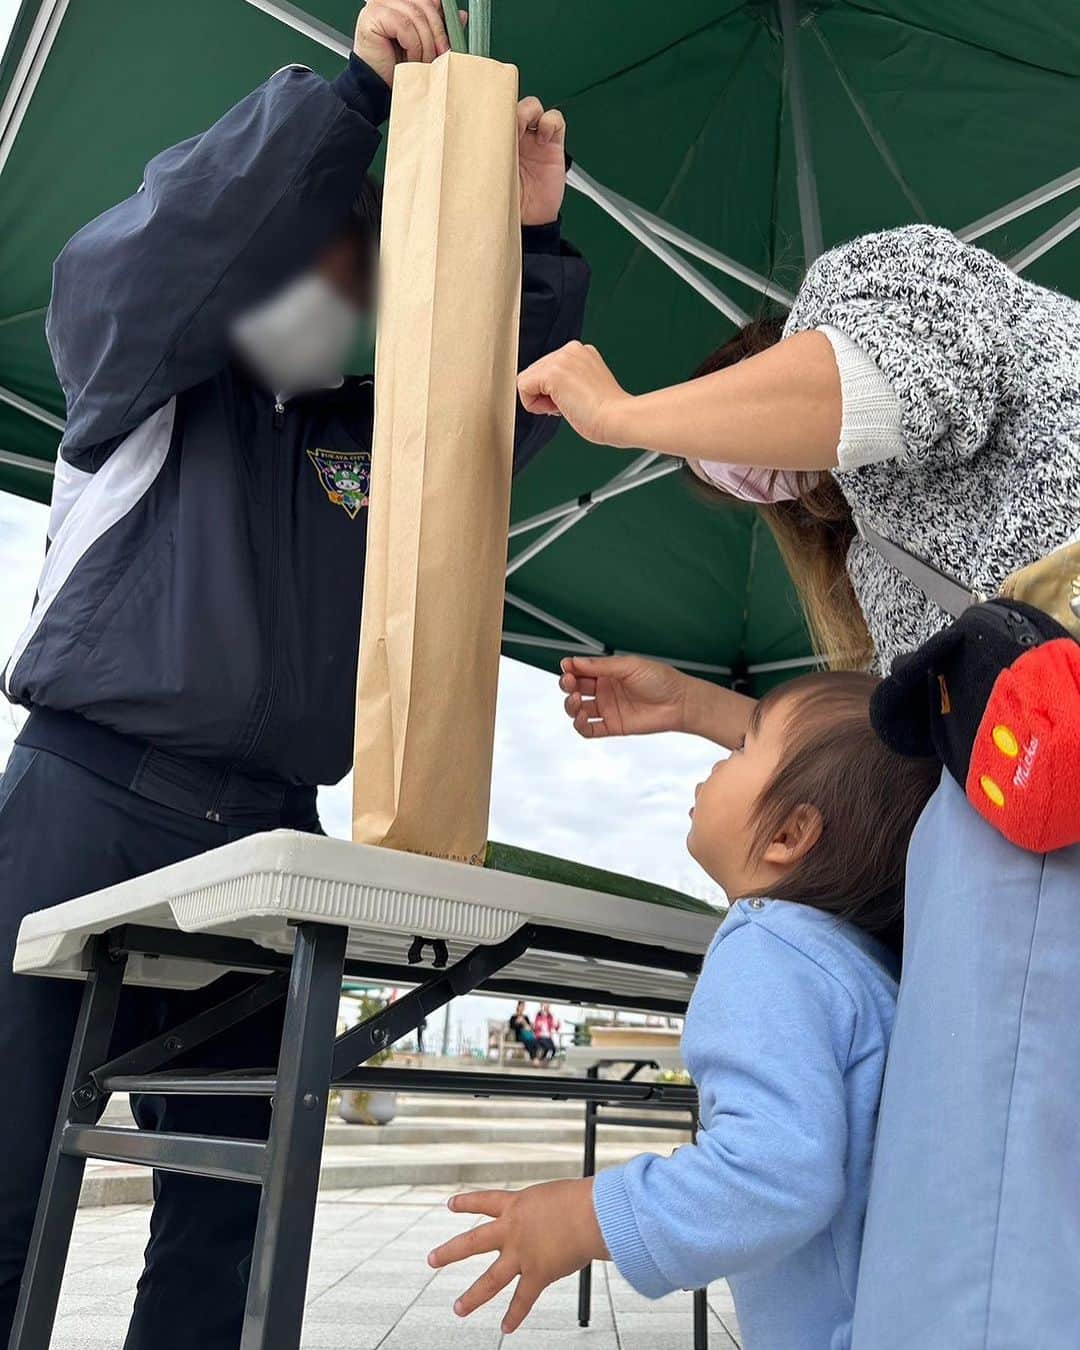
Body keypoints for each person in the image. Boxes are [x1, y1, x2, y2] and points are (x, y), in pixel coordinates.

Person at [0, 3, 589, 1345]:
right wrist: (351, 103)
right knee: (7, 1183)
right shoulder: (134, 377)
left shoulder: (353, 448)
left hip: (268, 832)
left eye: (350, 271)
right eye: (300, 260)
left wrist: (529, 240)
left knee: (237, 1207)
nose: (330, 286)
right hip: (85, 800)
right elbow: (167, 248)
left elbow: (484, 425)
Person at [518, 226, 1080, 1348]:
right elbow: (875, 751)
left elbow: (880, 381)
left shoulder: (878, 283)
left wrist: (625, 412)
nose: (734, 480)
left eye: (719, 452)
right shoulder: (883, 547)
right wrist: (698, 711)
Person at [429, 672, 941, 1348]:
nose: (718, 757)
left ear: (789, 834)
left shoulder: (770, 949)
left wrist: (584, 1219)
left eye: (744, 746)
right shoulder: (858, 966)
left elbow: (772, 1176)